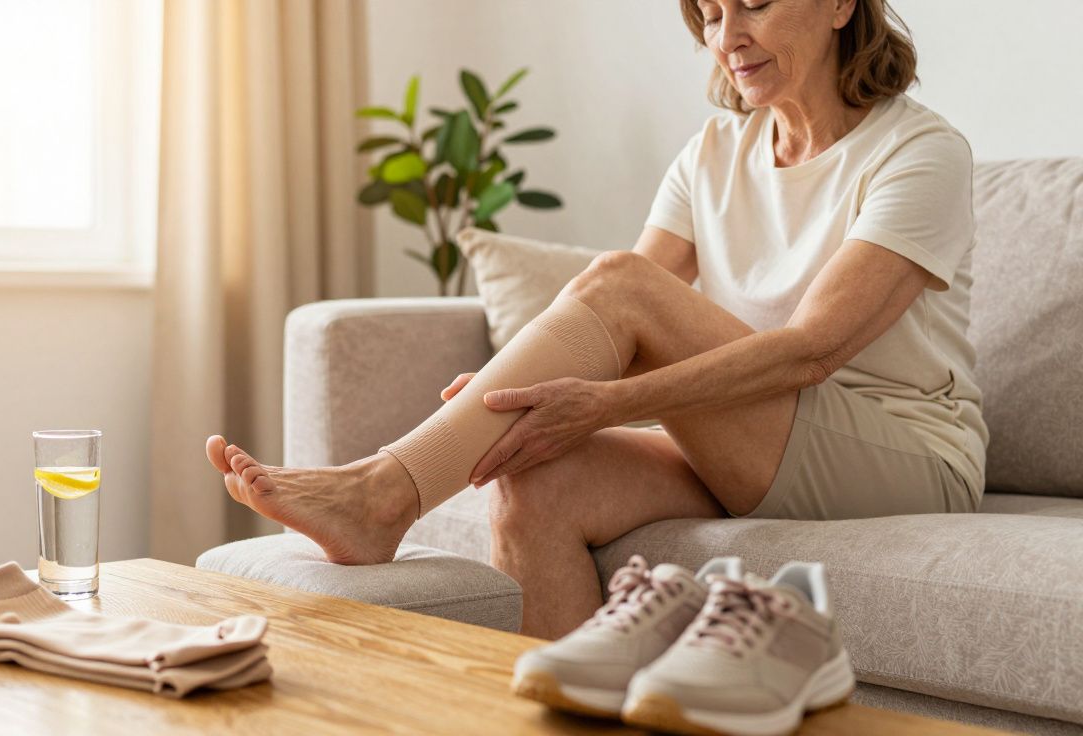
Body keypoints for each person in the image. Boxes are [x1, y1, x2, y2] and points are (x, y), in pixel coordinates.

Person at [207, 0, 985, 639]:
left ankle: (384, 492)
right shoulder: (713, 152)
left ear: (842, 4)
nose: (727, 39)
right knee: (530, 480)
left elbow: (809, 352)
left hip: (902, 454)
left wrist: (602, 406)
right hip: (760, 438)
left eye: (753, 4)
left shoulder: (919, 152)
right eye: (710, 16)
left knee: (625, 283)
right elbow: (595, 318)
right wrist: (513, 386)